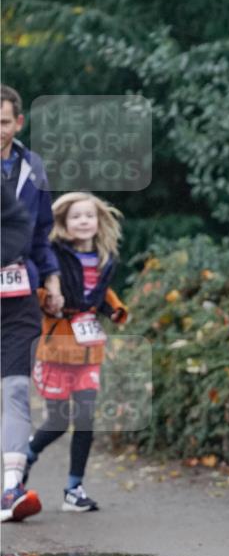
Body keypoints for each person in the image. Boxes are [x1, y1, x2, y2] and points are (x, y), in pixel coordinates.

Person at [25, 191, 128, 511]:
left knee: (85, 418)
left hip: (88, 352)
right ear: (62, 223)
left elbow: (100, 292)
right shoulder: (51, 255)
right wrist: (46, 299)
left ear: (99, 222)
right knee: (57, 420)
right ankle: (26, 456)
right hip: (56, 347)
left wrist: (116, 310)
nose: (83, 221)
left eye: (89, 216)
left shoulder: (105, 258)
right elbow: (37, 286)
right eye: (75, 217)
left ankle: (74, 489)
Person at [1, 84, 63, 522]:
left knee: (17, 388)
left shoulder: (33, 168)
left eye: (3, 122)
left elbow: (41, 236)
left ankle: (10, 489)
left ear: (18, 122)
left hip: (20, 292)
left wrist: (55, 279)